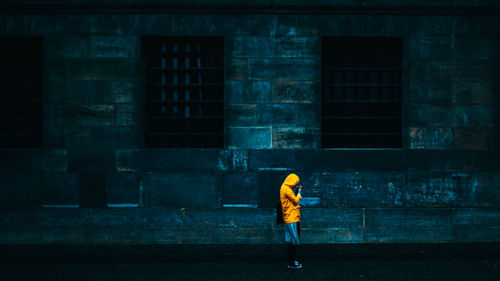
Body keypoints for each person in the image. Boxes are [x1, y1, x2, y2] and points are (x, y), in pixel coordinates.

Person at [280, 173, 303, 269]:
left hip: (289, 218)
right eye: (295, 182)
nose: (294, 184)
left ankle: (291, 261)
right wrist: (299, 192)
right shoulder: (287, 189)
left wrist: (296, 190)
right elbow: (295, 200)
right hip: (292, 218)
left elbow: (290, 200)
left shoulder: (284, 187)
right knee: (294, 241)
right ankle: (292, 263)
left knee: (291, 240)